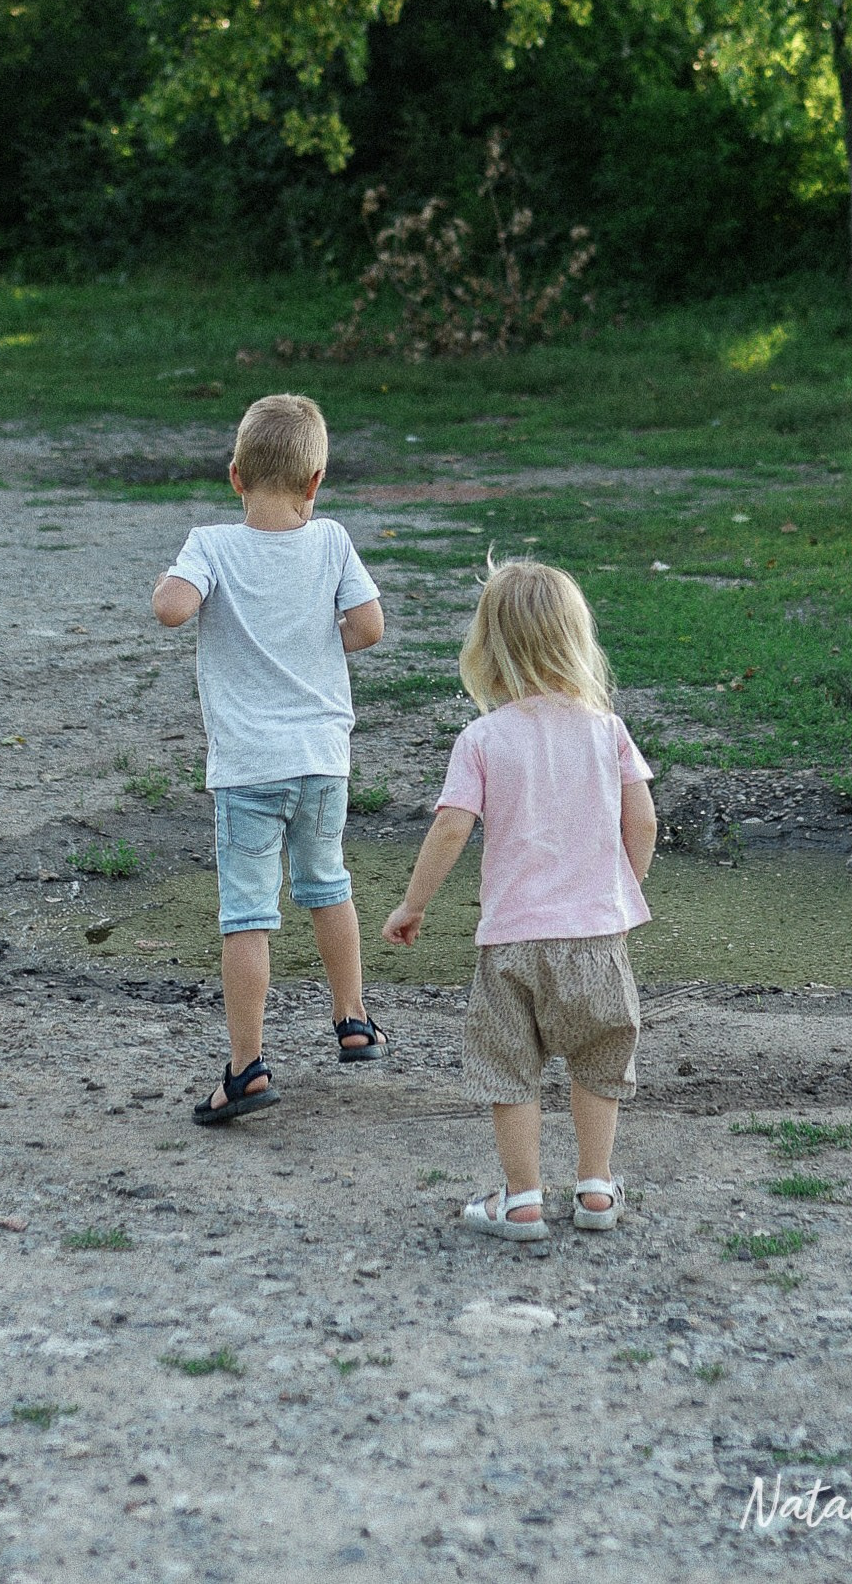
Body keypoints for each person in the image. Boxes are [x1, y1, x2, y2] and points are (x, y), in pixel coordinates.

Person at [383, 555, 657, 1247]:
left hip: (511, 944)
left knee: (510, 1068)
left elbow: (451, 827)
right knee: (600, 1060)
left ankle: (524, 1200)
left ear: (489, 647)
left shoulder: (481, 738)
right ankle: (596, 1187)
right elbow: (644, 822)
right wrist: (622, 892)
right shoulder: (607, 730)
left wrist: (413, 905)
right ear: (576, 639)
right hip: (596, 938)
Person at [152, 390, 388, 1125]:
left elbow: (171, 609)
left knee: (247, 914)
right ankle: (353, 1019)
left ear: (235, 476)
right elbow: (369, 627)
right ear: (316, 481)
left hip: (250, 768)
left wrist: (175, 585)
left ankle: (247, 1067)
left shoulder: (210, 544)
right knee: (328, 884)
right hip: (322, 760)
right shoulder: (333, 540)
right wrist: (319, 642)